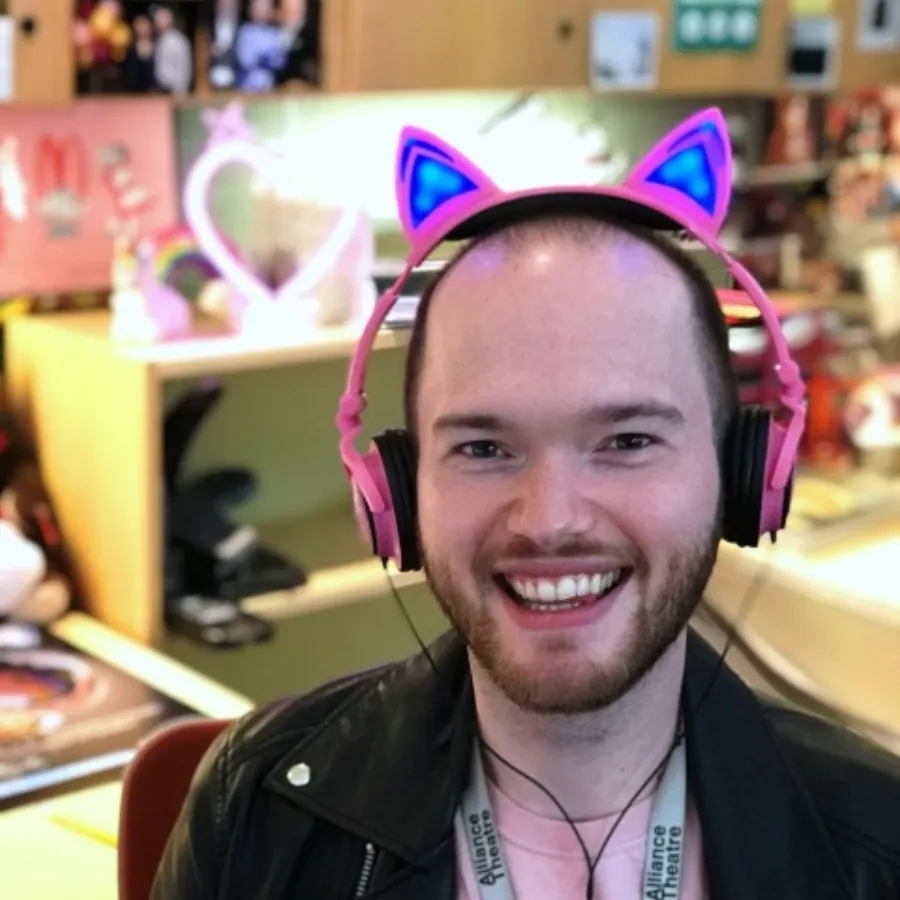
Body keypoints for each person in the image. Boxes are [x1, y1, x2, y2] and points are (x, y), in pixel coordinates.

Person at [151, 108, 900, 899]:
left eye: (628, 441)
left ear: (743, 474)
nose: (549, 519)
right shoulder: (254, 815)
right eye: (483, 449)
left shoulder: (878, 841)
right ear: (398, 492)